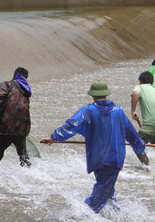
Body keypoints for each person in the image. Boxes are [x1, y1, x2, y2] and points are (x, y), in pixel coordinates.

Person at [40, 81, 147, 214]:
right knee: (102, 192)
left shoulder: (88, 110)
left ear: (93, 96)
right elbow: (130, 132)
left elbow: (71, 125)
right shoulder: (118, 111)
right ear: (106, 95)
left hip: (97, 158)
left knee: (106, 189)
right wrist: (140, 145)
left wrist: (53, 137)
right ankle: (85, 214)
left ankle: (110, 214)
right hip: (114, 158)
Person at [0, 67, 32, 169]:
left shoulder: (6, 84)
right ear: (26, 79)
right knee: (24, 157)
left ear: (13, 76)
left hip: (5, 127)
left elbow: (0, 97)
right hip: (22, 128)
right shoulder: (26, 90)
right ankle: (30, 173)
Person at [131, 71, 155, 144]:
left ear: (140, 81)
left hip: (151, 123)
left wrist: (133, 111)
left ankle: (145, 156)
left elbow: (135, 93)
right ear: (152, 82)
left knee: (136, 145)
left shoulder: (140, 87)